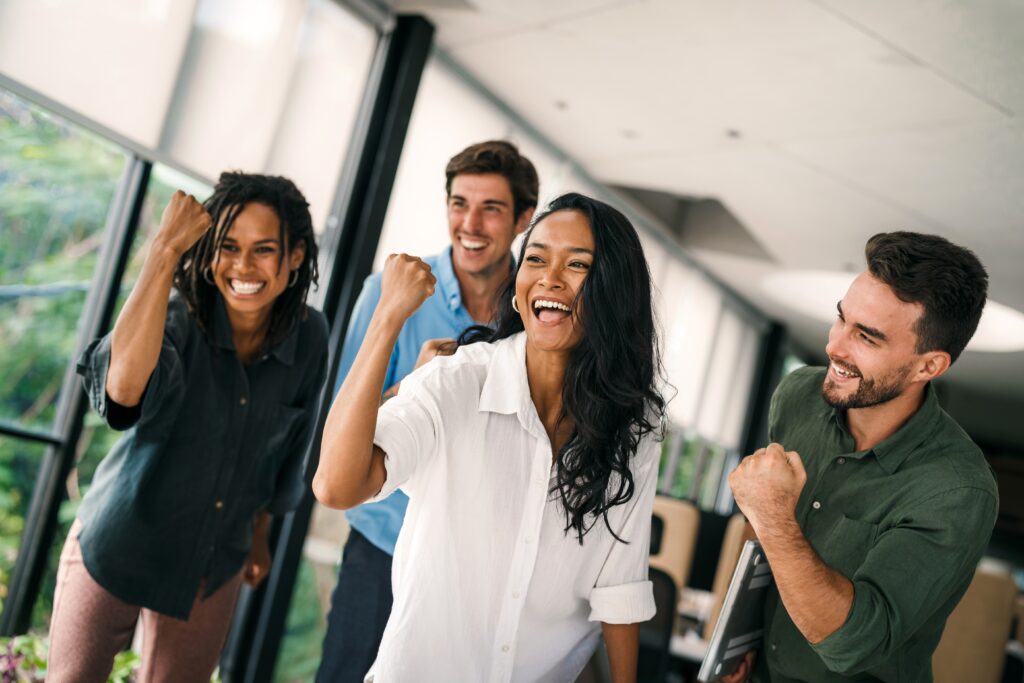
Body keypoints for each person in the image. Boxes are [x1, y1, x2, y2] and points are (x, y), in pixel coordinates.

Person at [314, 192, 666, 682]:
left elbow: (618, 586)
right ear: (519, 287)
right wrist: (387, 318)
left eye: (577, 265)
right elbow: (336, 485)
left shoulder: (635, 423)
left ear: (613, 289)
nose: (550, 278)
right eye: (537, 258)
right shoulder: (457, 381)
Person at [47, 173, 329, 682]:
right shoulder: (175, 316)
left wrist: (261, 534)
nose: (243, 266)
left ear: (296, 257)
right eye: (228, 247)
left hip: (215, 560)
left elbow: (293, 446)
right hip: (118, 543)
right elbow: (121, 395)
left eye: (264, 249)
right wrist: (163, 249)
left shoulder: (309, 336)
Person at [724, 232, 998, 683]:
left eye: (867, 338)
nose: (835, 346)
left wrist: (774, 515)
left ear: (928, 366)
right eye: (841, 319)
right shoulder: (798, 395)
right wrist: (737, 637)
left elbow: (853, 642)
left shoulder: (958, 490)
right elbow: (760, 537)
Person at [316, 140, 539, 682]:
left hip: (470, 565)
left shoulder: (534, 313)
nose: (471, 223)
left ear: (524, 219)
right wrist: (412, 389)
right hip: (383, 545)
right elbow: (339, 427)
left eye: (492, 208)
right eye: (460, 203)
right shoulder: (390, 293)